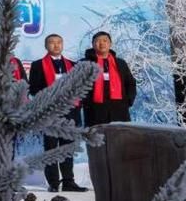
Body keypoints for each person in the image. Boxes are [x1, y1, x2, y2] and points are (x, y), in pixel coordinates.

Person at [29, 33, 88, 192]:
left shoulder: (73, 65)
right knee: (51, 148)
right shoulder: (38, 65)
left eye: (59, 42)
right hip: (50, 112)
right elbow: (34, 89)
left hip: (70, 112)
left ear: (62, 45)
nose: (56, 45)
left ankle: (69, 181)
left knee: (67, 148)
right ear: (46, 46)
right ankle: (53, 183)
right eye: (52, 43)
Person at [81, 31, 137, 127]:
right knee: (97, 140)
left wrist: (128, 101)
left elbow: (130, 83)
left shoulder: (120, 63)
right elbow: (78, 85)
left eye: (105, 41)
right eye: (98, 41)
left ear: (110, 44)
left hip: (119, 109)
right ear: (93, 44)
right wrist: (86, 103)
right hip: (95, 110)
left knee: (120, 139)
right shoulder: (84, 63)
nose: (102, 43)